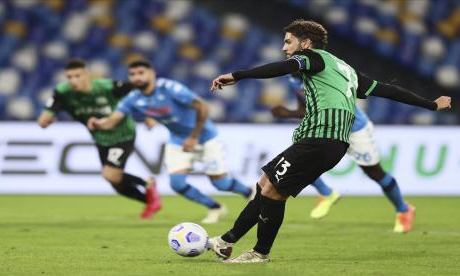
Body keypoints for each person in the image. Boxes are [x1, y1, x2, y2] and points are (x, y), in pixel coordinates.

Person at [208, 19, 451, 263]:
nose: (284, 47)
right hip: (327, 142)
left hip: (321, 139)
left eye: (288, 41)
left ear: (306, 42)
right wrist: (430, 105)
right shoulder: (345, 69)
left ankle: (260, 253)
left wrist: (237, 76)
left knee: (272, 193)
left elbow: (281, 68)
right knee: (265, 185)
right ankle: (226, 241)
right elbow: (388, 90)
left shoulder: (313, 57)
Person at [87, 60, 253, 224]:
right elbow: (113, 120)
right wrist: (98, 123)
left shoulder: (170, 88)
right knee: (177, 184)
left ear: (152, 74)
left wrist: (194, 136)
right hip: (178, 140)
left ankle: (248, 191)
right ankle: (214, 206)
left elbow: (203, 107)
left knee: (221, 183)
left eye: (140, 73)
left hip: (205, 137)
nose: (137, 77)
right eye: (132, 74)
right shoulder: (133, 98)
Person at [272, 75, 414, 233]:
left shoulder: (324, 73)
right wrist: (289, 113)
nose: (287, 53)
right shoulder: (294, 79)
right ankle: (327, 193)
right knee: (300, 161)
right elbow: (306, 108)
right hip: (328, 128)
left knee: (375, 172)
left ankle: (404, 209)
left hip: (354, 127)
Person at [37, 59, 161, 220]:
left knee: (110, 174)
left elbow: (140, 93)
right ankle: (149, 201)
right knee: (115, 182)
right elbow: (43, 119)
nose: (74, 80)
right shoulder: (63, 92)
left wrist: (150, 114)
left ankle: (147, 184)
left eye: (78, 76)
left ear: (87, 75)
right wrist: (47, 120)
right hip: (100, 139)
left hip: (123, 134)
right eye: (70, 77)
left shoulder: (107, 87)